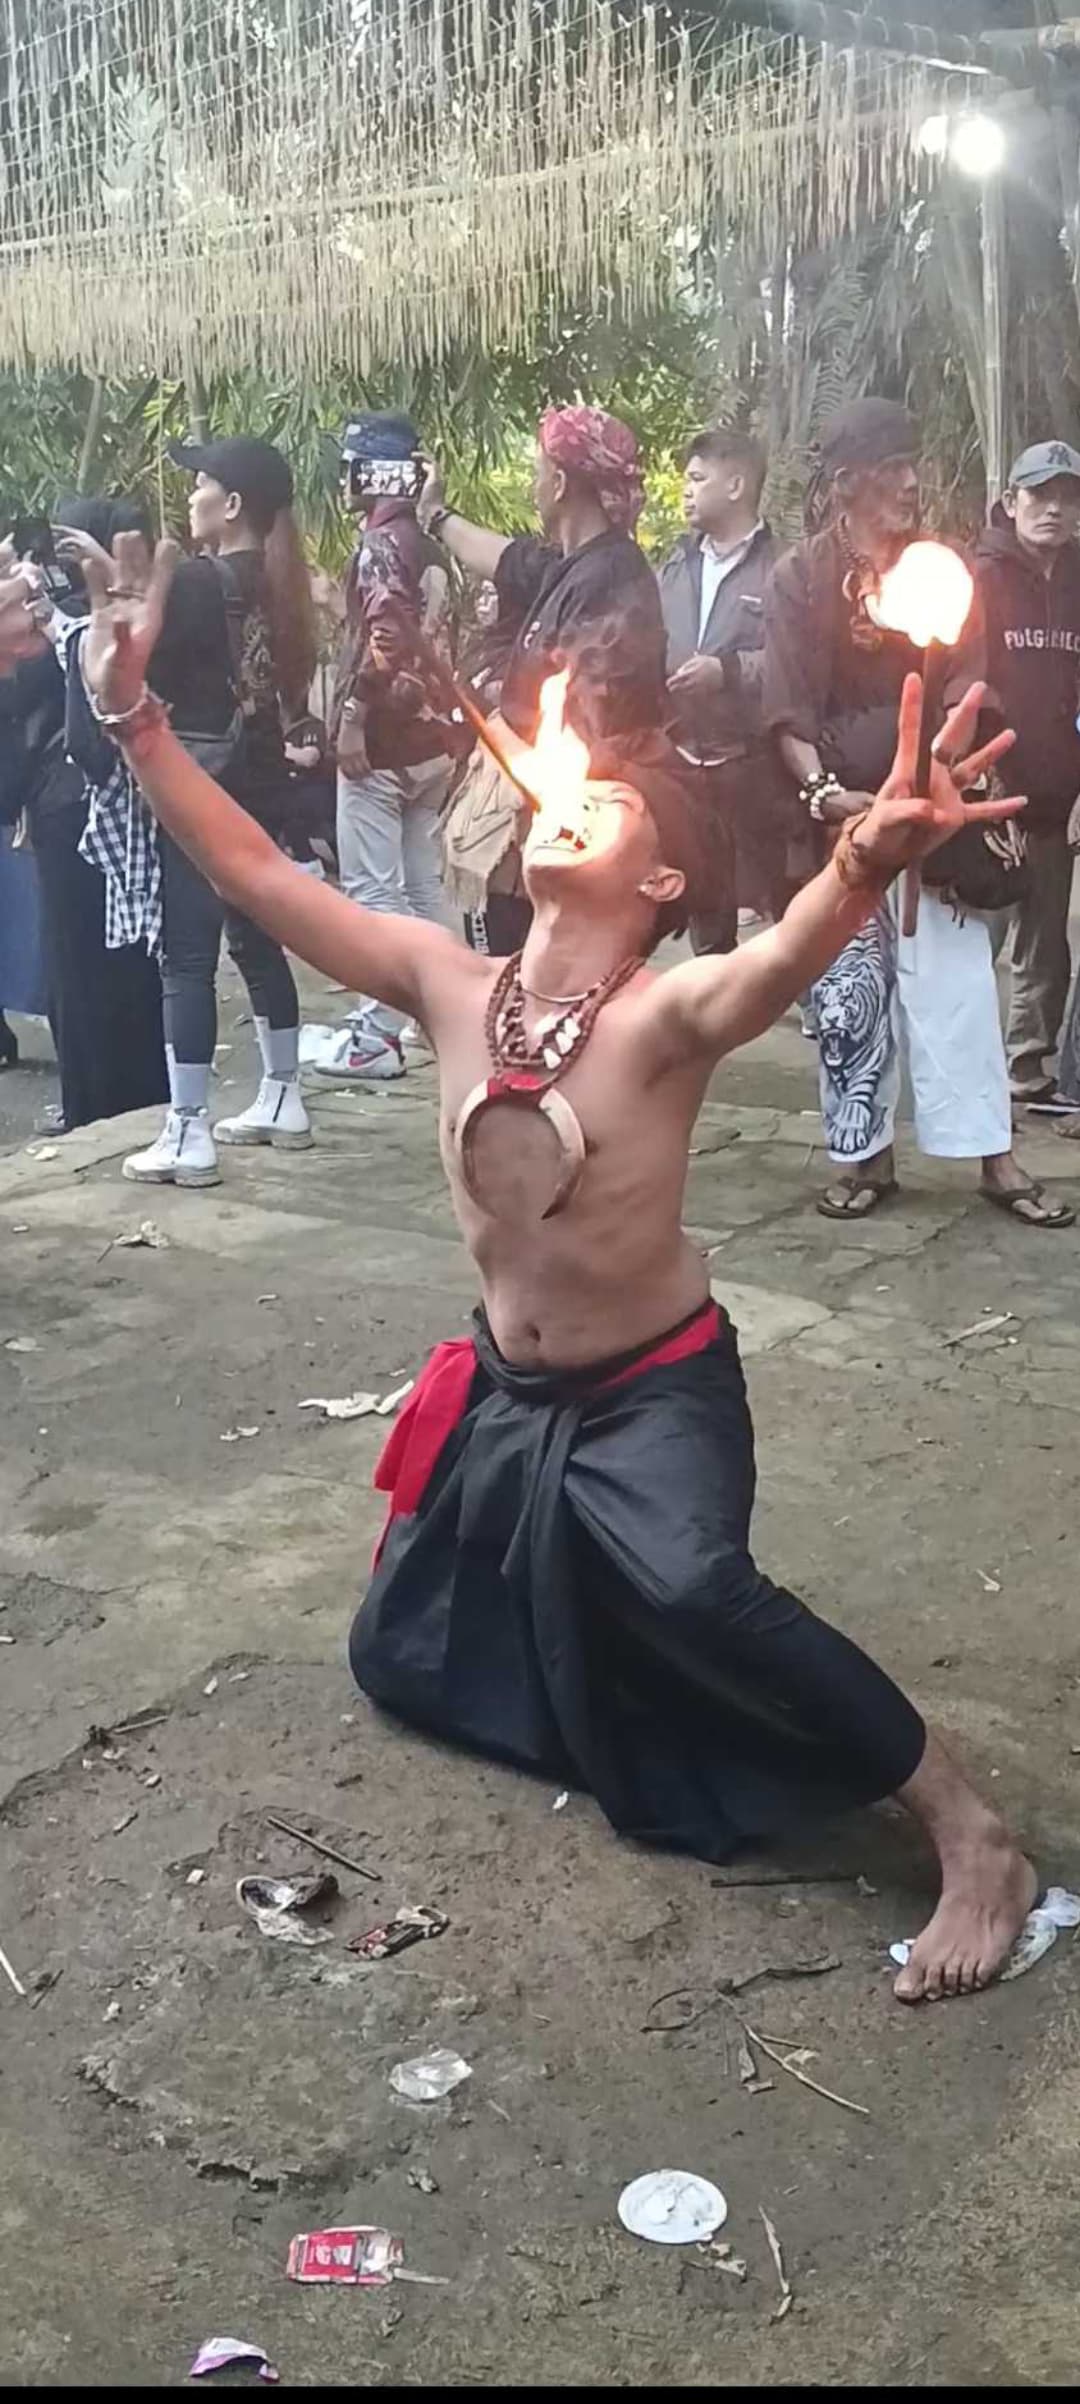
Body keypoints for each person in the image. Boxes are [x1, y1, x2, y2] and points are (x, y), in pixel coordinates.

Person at [79, 525, 1040, 2004]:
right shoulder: (444, 982)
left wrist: (862, 857)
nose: (571, 794)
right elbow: (257, 869)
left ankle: (971, 1833)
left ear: (660, 881)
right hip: (509, 1397)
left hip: (654, 1392)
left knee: (698, 1588)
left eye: (611, 802)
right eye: (566, 786)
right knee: (396, 1655)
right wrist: (135, 718)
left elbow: (779, 958)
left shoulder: (665, 1016)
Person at [763, 397, 1072, 1230]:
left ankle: (994, 1157)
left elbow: (972, 684)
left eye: (911, 465)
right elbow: (787, 712)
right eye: (891, 467)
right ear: (846, 483)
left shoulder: (943, 569)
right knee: (849, 992)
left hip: (936, 818)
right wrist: (825, 794)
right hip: (843, 825)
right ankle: (865, 1158)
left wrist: (933, 776)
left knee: (960, 990)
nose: (910, 482)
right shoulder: (798, 579)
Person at [64, 436, 317, 1184]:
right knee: (256, 938)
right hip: (260, 785)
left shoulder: (200, 583)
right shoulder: (284, 584)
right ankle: (283, 1095)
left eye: (201, 482)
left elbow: (136, 667)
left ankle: (187, 1128)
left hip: (199, 785)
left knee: (186, 957)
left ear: (232, 504)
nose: (192, 495)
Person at [421, 404, 680, 955]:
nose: (534, 484)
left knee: (526, 974)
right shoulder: (575, 564)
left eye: (539, 471)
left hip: (559, 835)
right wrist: (436, 516)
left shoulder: (609, 579)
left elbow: (586, 735)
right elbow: (505, 559)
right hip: (533, 823)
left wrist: (499, 725)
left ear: (559, 483)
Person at [2, 498, 167, 1132]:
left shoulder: (71, 627)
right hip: (115, 810)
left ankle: (91, 1103)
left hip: (72, 808)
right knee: (123, 957)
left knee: (77, 962)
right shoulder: (109, 619)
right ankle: (132, 1095)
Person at [322, 411, 460, 1083]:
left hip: (383, 745)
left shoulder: (381, 542)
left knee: (373, 890)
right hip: (435, 743)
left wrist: (353, 715)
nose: (343, 478)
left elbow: (387, 635)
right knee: (425, 885)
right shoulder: (429, 543)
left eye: (352, 465)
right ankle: (452, 1015)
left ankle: (376, 1034)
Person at [972, 442, 1080, 1108]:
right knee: (975, 939)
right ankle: (961, 1066)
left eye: (1068, 497)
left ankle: (1027, 1067)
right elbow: (961, 683)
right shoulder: (979, 577)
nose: (1054, 509)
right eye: (1041, 495)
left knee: (1044, 944)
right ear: (1011, 502)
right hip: (985, 795)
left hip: (1058, 798)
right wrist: (982, 777)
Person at [660, 427, 792, 950]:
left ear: (736, 485)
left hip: (755, 767)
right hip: (686, 763)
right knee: (706, 909)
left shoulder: (781, 568)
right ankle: (713, 988)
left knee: (779, 904)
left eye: (698, 478)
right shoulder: (677, 563)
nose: (686, 490)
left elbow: (793, 661)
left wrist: (728, 671)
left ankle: (796, 986)